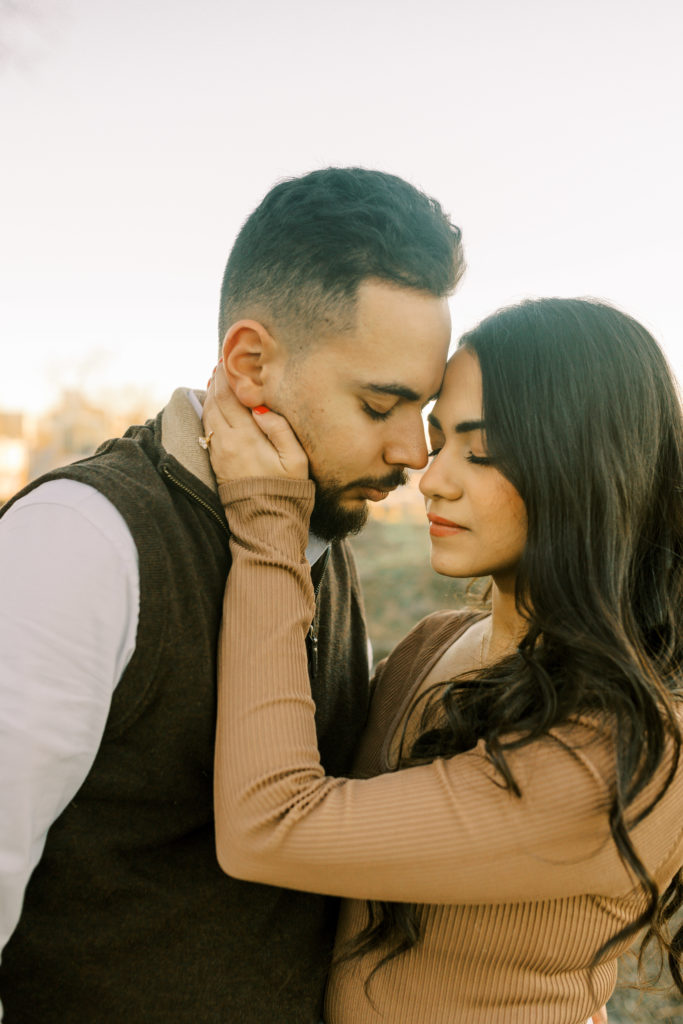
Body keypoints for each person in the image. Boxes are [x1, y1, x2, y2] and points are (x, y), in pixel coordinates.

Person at [0, 168, 463, 1022]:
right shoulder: (83, 540)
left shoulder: (323, 531)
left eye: (423, 410)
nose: (412, 451)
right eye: (380, 403)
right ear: (250, 362)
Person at [203, 296, 683, 1023]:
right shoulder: (432, 644)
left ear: (586, 470)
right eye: (438, 443)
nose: (431, 480)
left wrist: (268, 521)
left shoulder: (618, 749)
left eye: (480, 451)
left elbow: (269, 824)